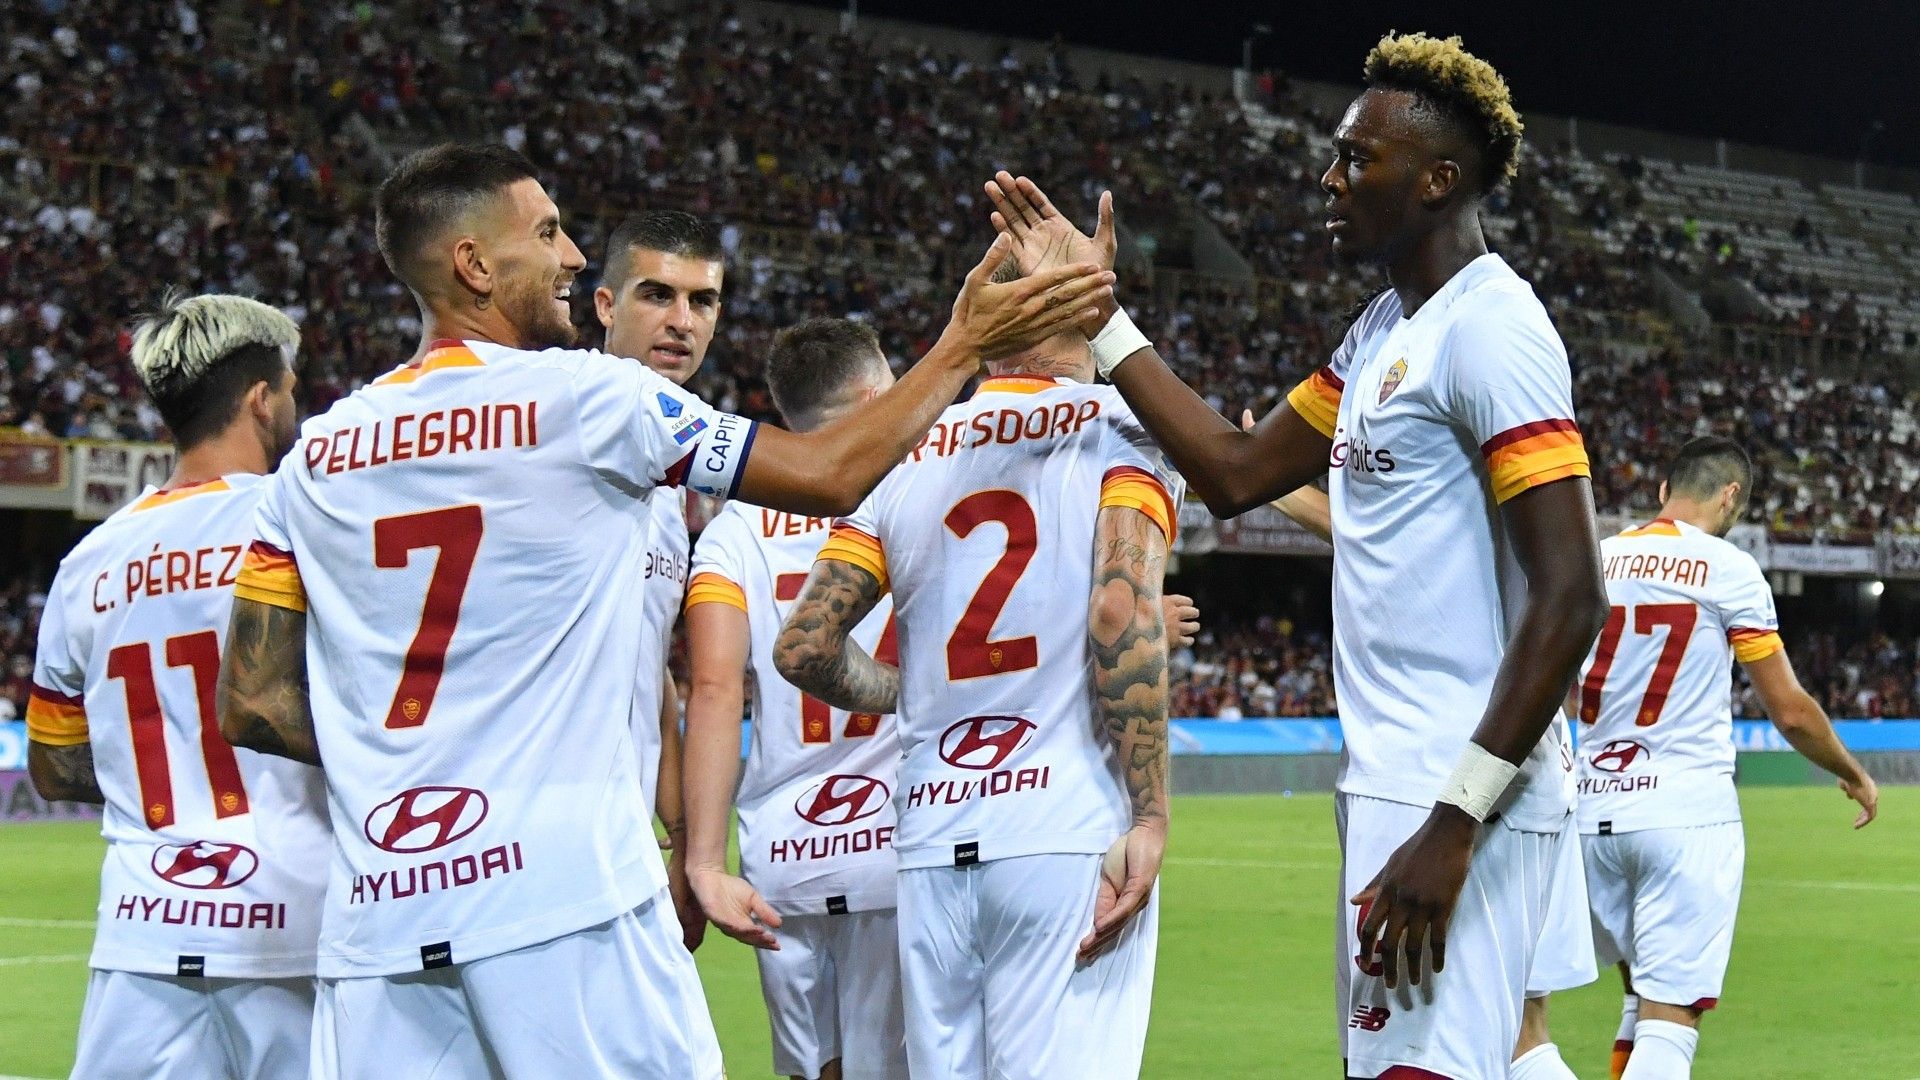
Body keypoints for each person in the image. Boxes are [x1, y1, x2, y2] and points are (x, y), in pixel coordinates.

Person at [213, 143, 1113, 1078]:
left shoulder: (315, 454)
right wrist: (962, 342)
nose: (569, 257)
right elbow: (830, 472)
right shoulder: (592, 399)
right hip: (568, 902)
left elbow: (255, 705)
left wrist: (410, 762)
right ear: (475, 266)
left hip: (381, 922)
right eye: (549, 234)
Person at [987, 29, 1610, 1079]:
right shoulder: (1382, 330)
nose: (1329, 177)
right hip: (1400, 785)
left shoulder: (1493, 330)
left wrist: (1454, 821)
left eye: (1358, 158)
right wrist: (1104, 321)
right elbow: (1235, 471)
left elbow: (1573, 594)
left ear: (1437, 181)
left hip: (1453, 796)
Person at [773, 272, 1182, 1078]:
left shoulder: (908, 448)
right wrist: (1151, 813)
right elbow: (1118, 614)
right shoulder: (1124, 426)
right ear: (1085, 322)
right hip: (1064, 829)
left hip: (930, 836)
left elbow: (806, 646)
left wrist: (906, 693)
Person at [28, 293, 329, 1078]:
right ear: (262, 400)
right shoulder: (303, 520)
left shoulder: (89, 561)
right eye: (292, 387)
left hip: (143, 934)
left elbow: (54, 768)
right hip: (294, 929)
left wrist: (152, 765)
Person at [1258, 468, 1595, 1080]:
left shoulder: (1462, 413)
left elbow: (1375, 538)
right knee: (1523, 1031)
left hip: (1455, 766)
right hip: (1535, 757)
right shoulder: (1525, 497)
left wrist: (1270, 480)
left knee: (1414, 1053)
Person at [1574, 436, 1877, 1080]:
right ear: (1731, 495)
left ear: (1663, 491)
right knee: (1671, 1016)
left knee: (1636, 995)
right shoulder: (1729, 568)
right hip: (1684, 814)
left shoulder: (1595, 559)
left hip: (1591, 810)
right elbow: (1789, 710)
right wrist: (1851, 772)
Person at [682, 318, 909, 1080]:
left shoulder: (734, 529)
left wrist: (705, 863)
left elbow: (713, 690)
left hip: (784, 858)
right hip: (898, 839)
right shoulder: (915, 487)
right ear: (879, 392)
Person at [593, 208, 732, 952]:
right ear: (605, 305)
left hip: (618, 842)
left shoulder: (672, 486)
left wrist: (683, 844)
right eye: (656, 295)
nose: (681, 321)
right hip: (544, 844)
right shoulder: (576, 413)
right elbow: (828, 475)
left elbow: (657, 679)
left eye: (701, 301)